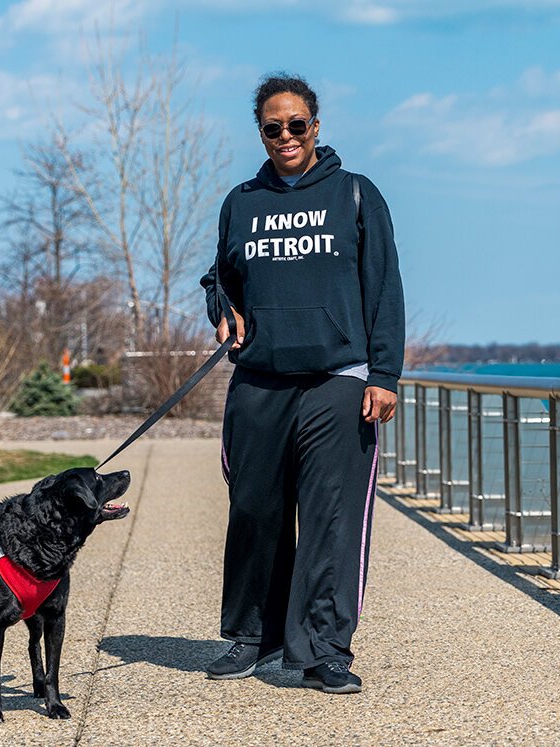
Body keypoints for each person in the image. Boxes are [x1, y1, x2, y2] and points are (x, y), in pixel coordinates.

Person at [199, 73, 404, 695]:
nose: (285, 136)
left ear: (316, 127)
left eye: (296, 125)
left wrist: (385, 374)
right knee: (255, 513)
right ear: (260, 132)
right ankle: (250, 635)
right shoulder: (241, 202)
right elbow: (220, 280)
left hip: (337, 382)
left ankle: (322, 651)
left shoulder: (356, 196)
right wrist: (223, 312)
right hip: (259, 383)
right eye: (272, 127)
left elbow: (385, 288)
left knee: (329, 520)